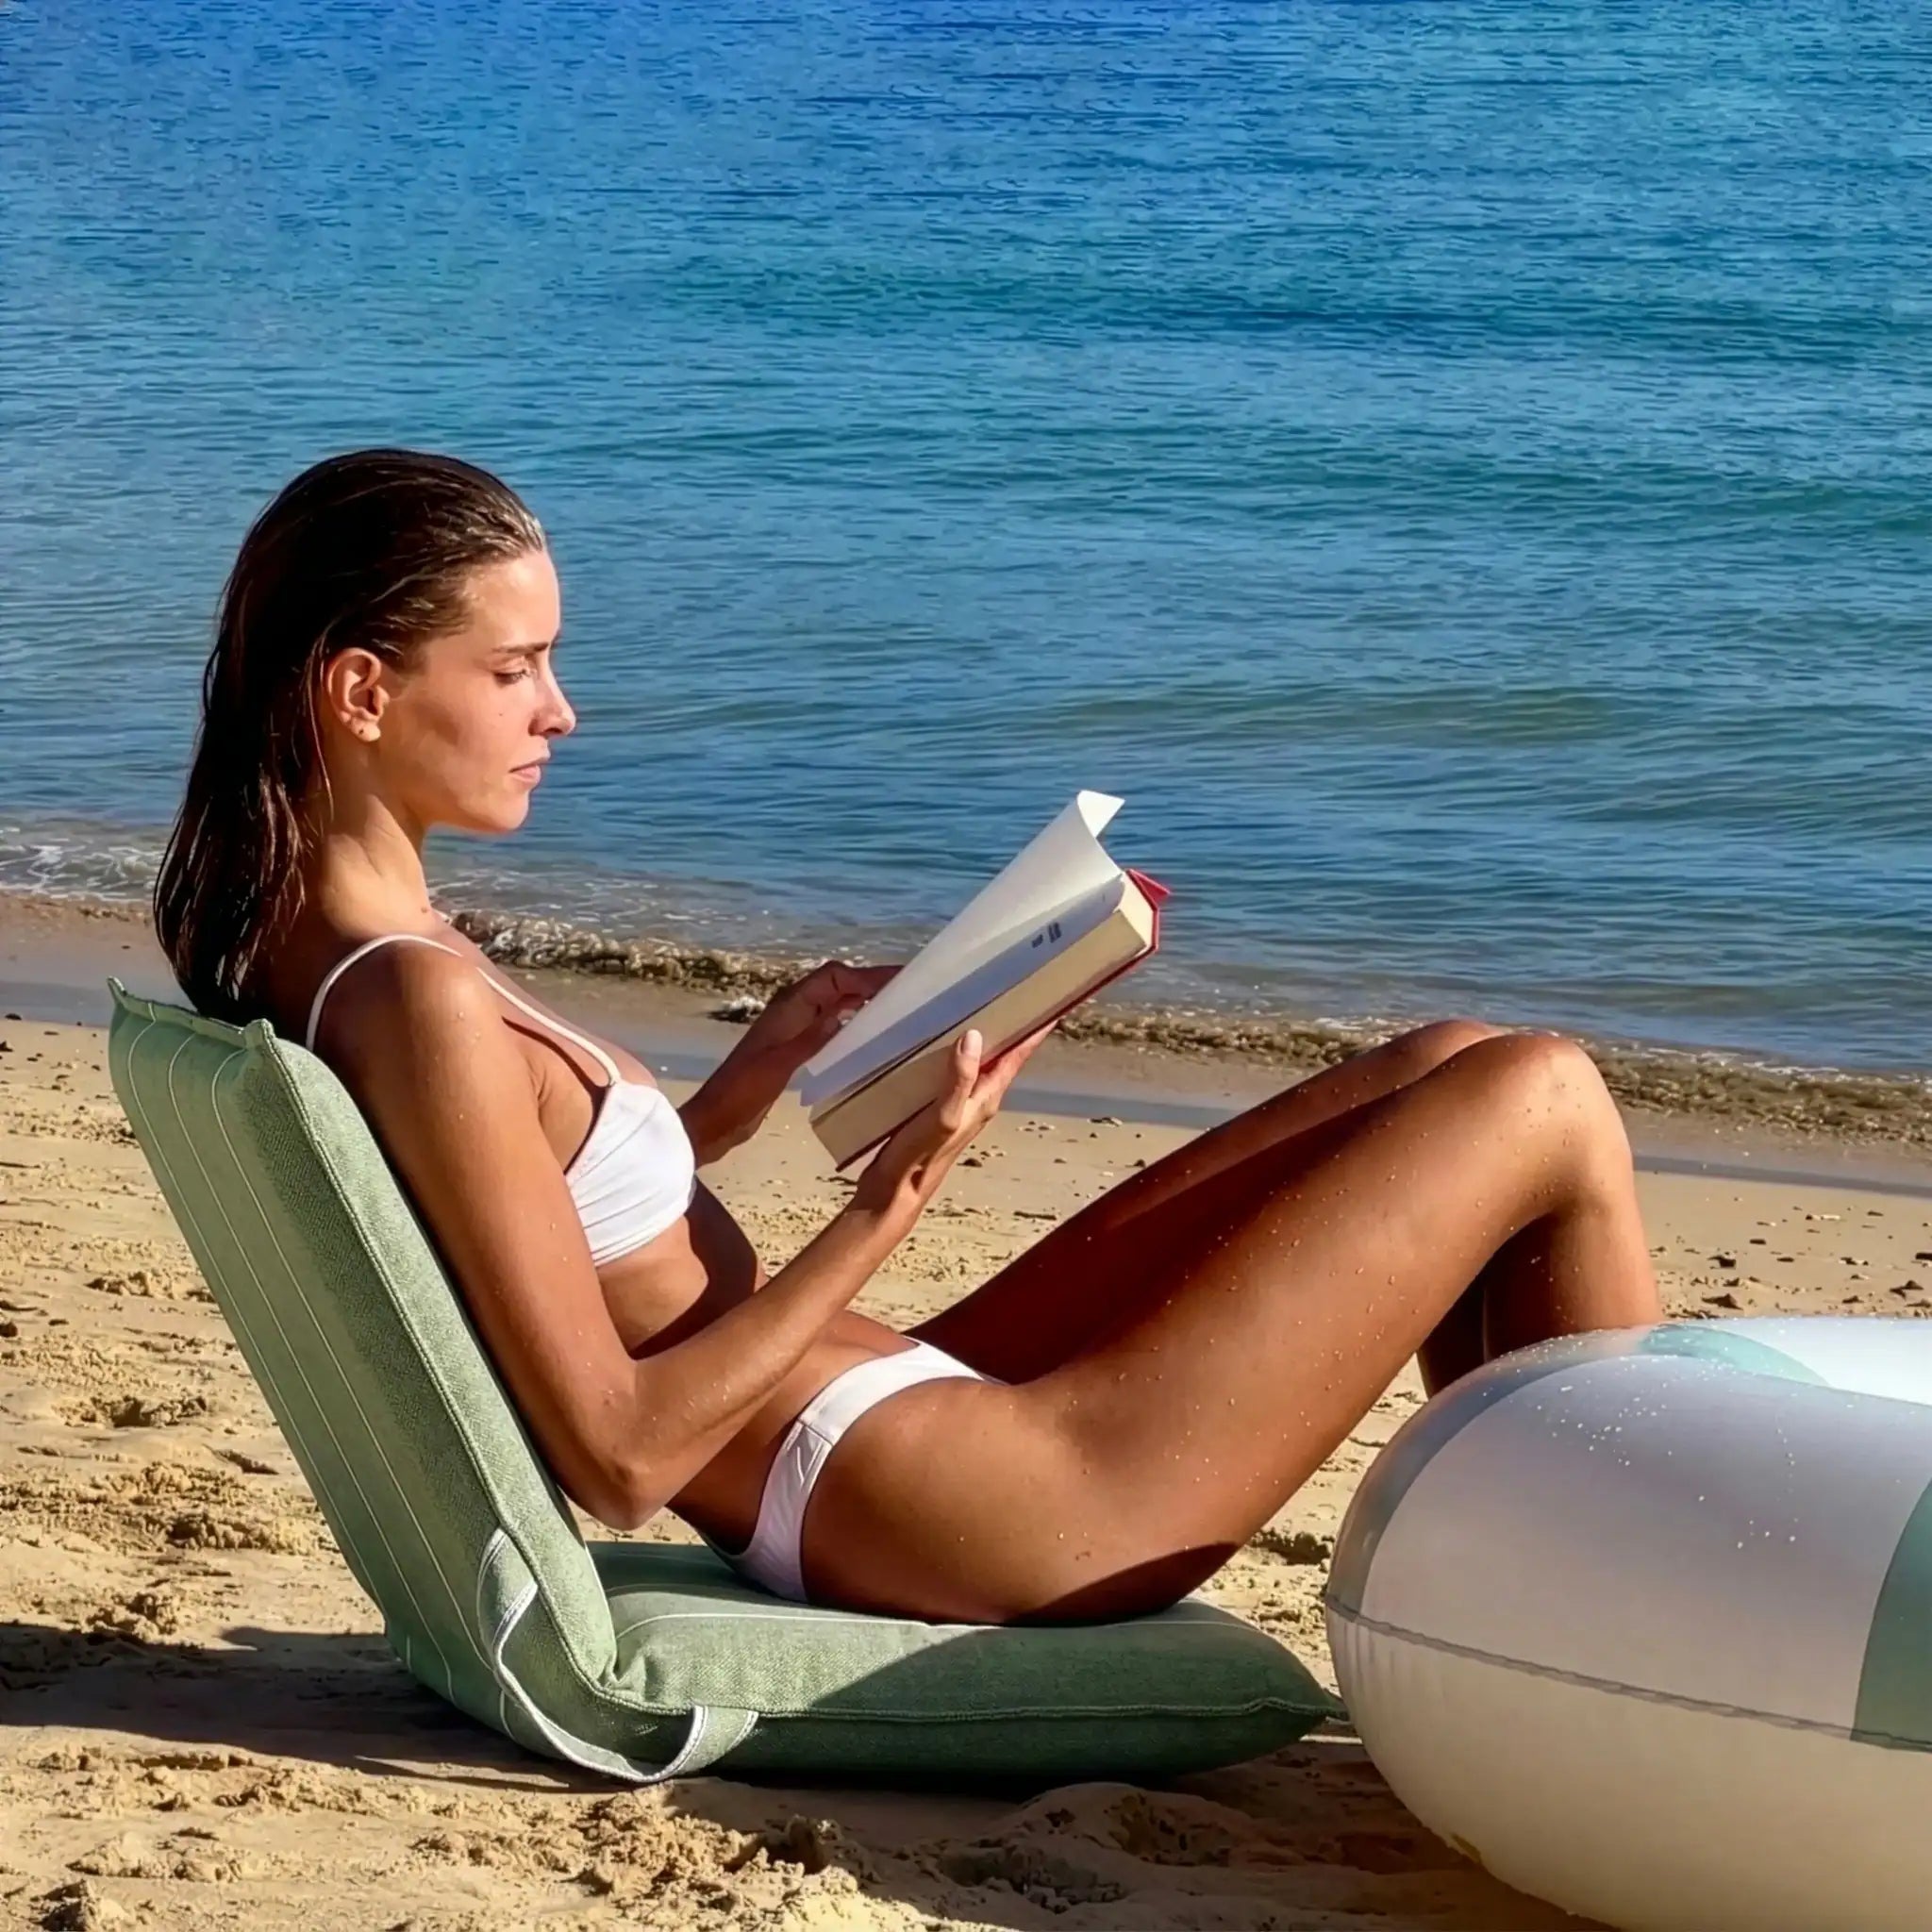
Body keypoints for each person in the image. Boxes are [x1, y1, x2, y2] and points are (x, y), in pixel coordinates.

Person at [154, 448, 1661, 1626]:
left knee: (1448, 1057)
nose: (563, 711)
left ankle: (1556, 1604)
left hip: (887, 1425)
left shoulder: (342, 949)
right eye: (514, 668)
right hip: (968, 1511)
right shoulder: (411, 994)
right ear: (360, 689)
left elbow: (560, 1220)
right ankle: (1648, 1601)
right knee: (1544, 1094)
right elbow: (617, 1460)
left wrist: (748, 1087)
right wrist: (895, 1198)